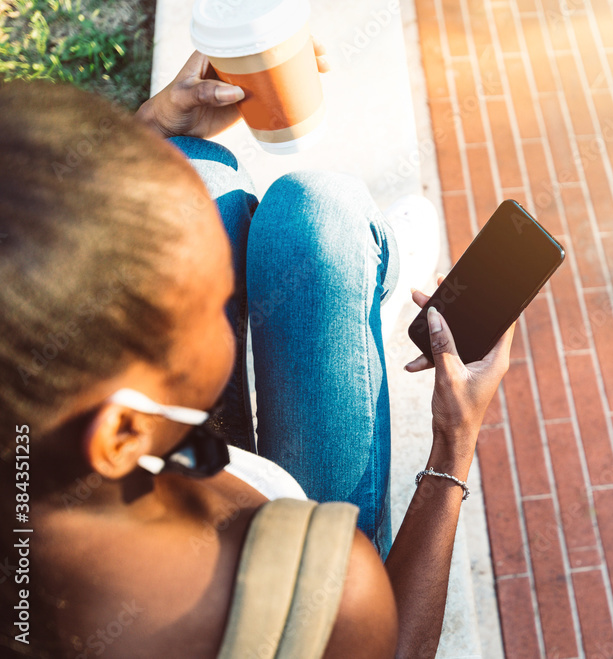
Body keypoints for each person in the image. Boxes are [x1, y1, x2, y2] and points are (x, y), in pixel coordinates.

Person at [0, 47, 514, 659]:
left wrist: (147, 140)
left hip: (176, 454)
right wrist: (455, 439)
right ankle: (360, 288)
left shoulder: (43, 446)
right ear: (121, 431)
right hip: (283, 540)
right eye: (219, 300)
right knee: (324, 221)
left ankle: (351, 277)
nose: (231, 303)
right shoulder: (323, 590)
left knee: (200, 171)